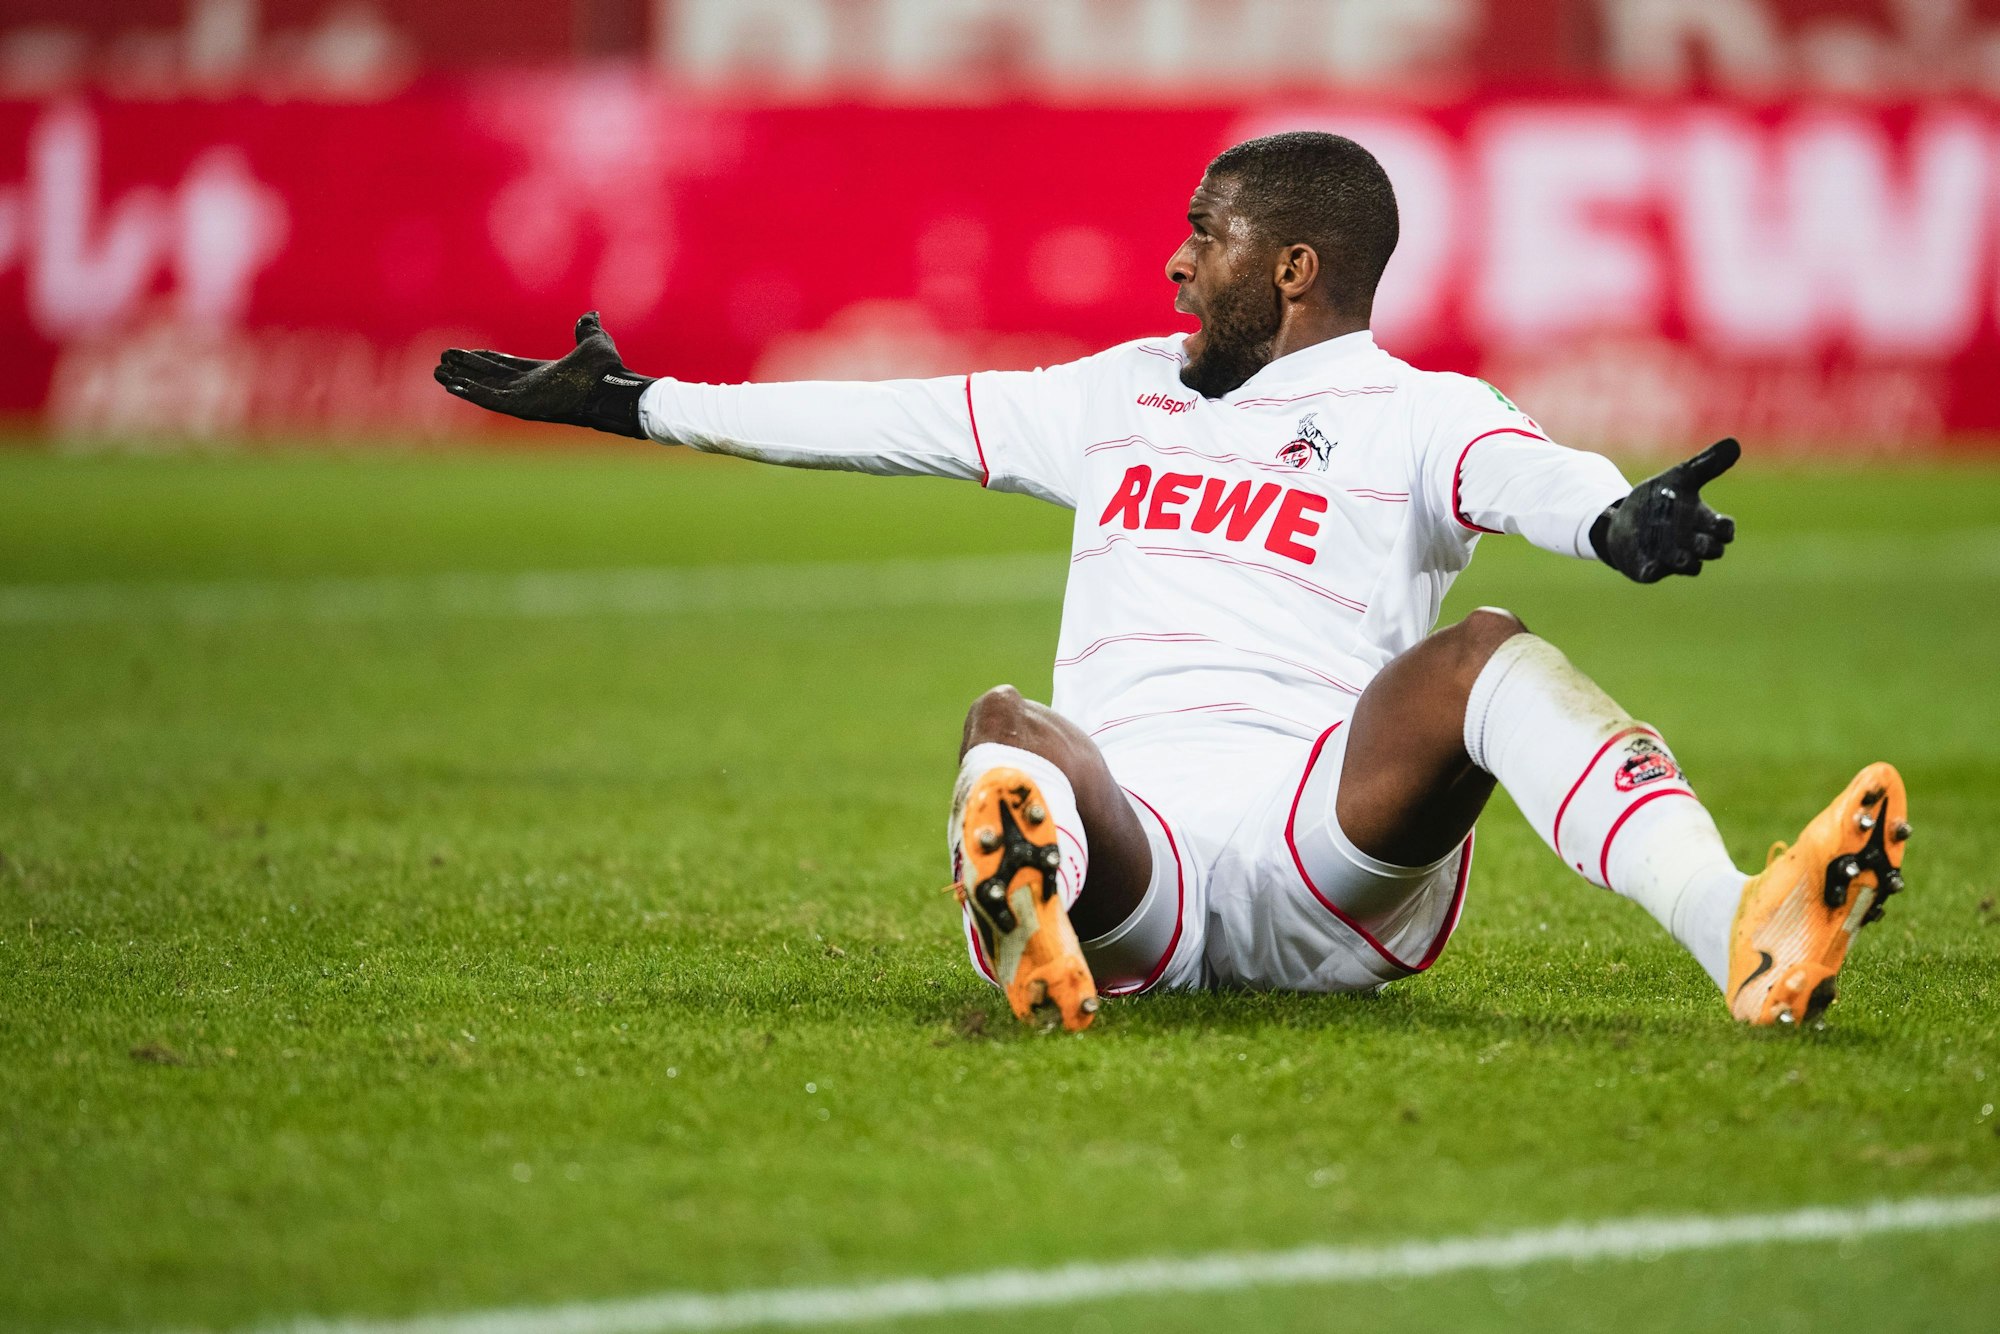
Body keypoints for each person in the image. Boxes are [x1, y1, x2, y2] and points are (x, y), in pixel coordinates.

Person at [434, 131, 1909, 1033]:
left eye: (1206, 232)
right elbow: (876, 418)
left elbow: (1542, 480)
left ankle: (1740, 920)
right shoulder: (1116, 394)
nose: (1172, 259)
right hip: (1140, 847)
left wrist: (1614, 521)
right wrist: (641, 402)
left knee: (1489, 649)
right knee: (1009, 725)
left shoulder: (1421, 411)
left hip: (1326, 832)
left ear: (1294, 267)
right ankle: (1042, 919)